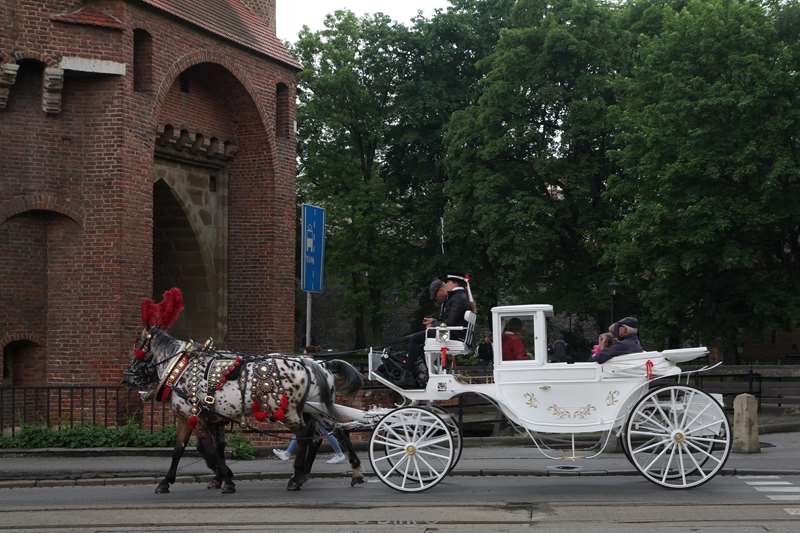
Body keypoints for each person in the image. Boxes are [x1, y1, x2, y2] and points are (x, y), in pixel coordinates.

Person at [405, 274, 473, 387]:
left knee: (415, 339)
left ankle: (408, 372)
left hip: (452, 334)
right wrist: (435, 322)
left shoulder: (458, 297)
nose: (446, 285)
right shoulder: (458, 297)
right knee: (421, 339)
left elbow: (450, 322)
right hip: (452, 332)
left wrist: (434, 324)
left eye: (448, 282)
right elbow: (451, 320)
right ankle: (423, 371)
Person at [273, 421, 345, 464]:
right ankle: (287, 453)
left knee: (324, 432)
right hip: (315, 411)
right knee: (300, 429)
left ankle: (339, 454)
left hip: (314, 412)